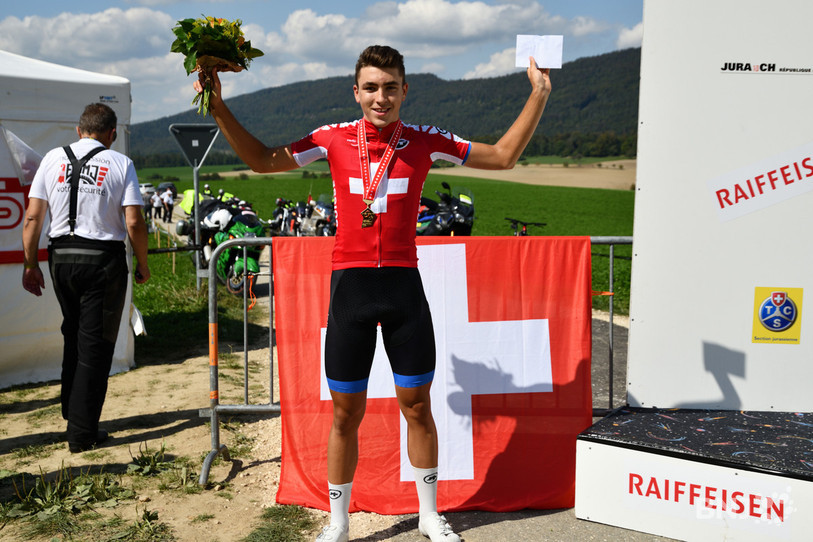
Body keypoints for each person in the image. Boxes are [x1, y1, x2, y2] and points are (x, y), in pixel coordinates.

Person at [196, 45, 551, 542]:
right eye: (370, 88)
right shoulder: (331, 138)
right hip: (351, 291)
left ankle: (428, 515)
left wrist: (539, 93)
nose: (380, 98)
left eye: (389, 87)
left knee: (417, 407)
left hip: (404, 287)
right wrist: (216, 104)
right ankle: (338, 522)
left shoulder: (426, 140)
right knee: (344, 413)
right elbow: (260, 160)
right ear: (356, 92)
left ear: (405, 90)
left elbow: (505, 156)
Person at [21, 103, 150, 453]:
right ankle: (81, 433)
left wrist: (30, 264)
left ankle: (72, 412)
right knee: (96, 344)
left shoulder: (52, 158)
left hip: (60, 258)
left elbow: (33, 218)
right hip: (103, 262)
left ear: (79, 131)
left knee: (73, 334)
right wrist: (143, 263)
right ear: (111, 135)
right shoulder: (121, 163)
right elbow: (135, 222)